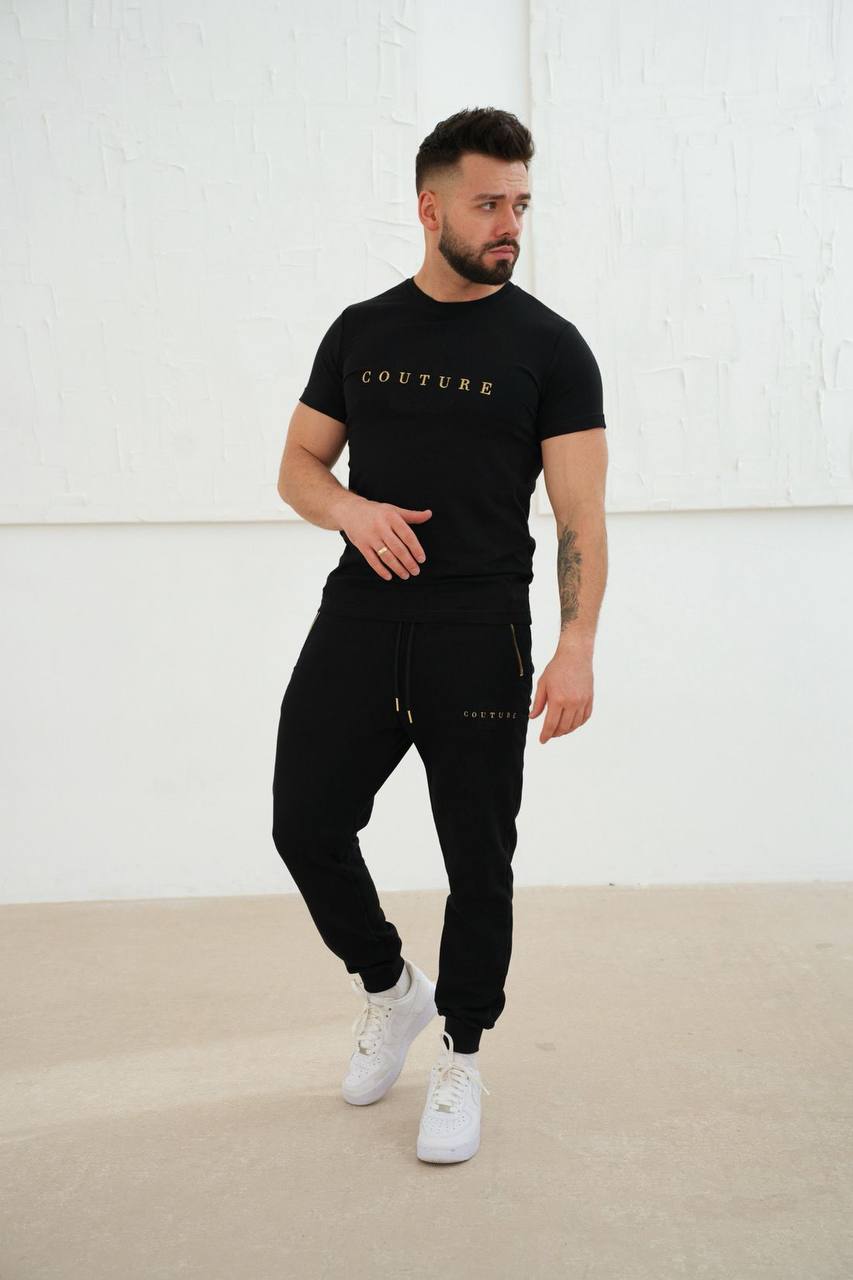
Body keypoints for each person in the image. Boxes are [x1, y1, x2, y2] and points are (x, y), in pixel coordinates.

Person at [272, 106, 609, 1164]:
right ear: (430, 208)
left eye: (521, 204)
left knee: (477, 857)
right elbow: (297, 467)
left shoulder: (550, 348)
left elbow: (579, 515)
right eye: (488, 203)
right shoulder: (361, 330)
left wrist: (575, 644)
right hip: (360, 617)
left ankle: (461, 1050)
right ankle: (391, 988)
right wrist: (349, 509)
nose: (510, 224)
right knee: (304, 823)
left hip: (478, 627)